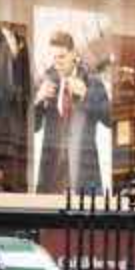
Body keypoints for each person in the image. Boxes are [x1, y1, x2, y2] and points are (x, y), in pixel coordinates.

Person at [33, 30, 111, 194]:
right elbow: (33, 127)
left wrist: (86, 94)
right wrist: (38, 100)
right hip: (52, 174)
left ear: (74, 54)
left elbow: (109, 119)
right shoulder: (45, 80)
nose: (57, 63)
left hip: (83, 173)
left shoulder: (91, 80)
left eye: (61, 57)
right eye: (53, 57)